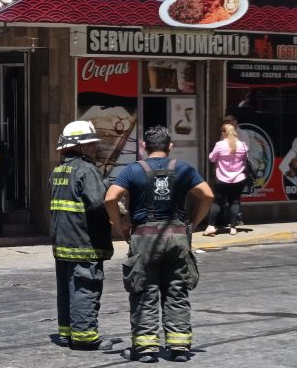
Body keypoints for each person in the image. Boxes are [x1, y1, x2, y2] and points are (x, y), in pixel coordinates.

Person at [104, 125, 214, 363]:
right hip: (177, 236)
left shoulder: (132, 170)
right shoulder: (184, 169)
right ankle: (179, 347)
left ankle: (146, 348)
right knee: (177, 290)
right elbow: (208, 195)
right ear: (170, 146)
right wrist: (192, 223)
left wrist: (118, 225)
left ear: (144, 147)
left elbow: (110, 197)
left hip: (144, 238)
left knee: (144, 290)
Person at [48, 120, 116, 351]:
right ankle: (85, 337)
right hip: (84, 242)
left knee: (67, 289)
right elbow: (99, 203)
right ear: (79, 146)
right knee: (85, 287)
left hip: (63, 242)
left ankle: (67, 333)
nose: (93, 148)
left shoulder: (58, 170)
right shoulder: (86, 170)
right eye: (90, 144)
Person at [206, 124, 248, 236]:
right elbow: (245, 160)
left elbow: (212, 158)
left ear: (223, 133)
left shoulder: (220, 145)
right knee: (235, 201)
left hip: (222, 178)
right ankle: (233, 228)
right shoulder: (242, 145)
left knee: (217, 202)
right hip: (239, 179)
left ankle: (211, 226)